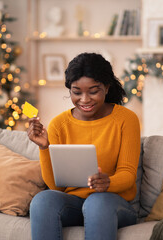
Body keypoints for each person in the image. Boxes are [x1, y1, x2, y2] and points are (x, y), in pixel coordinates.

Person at [27, 52, 141, 240]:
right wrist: (44, 148)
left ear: (106, 87)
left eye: (93, 91)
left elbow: (128, 174)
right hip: (73, 204)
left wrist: (108, 183)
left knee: (96, 202)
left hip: (113, 204)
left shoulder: (125, 119)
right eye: (77, 92)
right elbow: (57, 187)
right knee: (43, 200)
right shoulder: (59, 124)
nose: (85, 99)